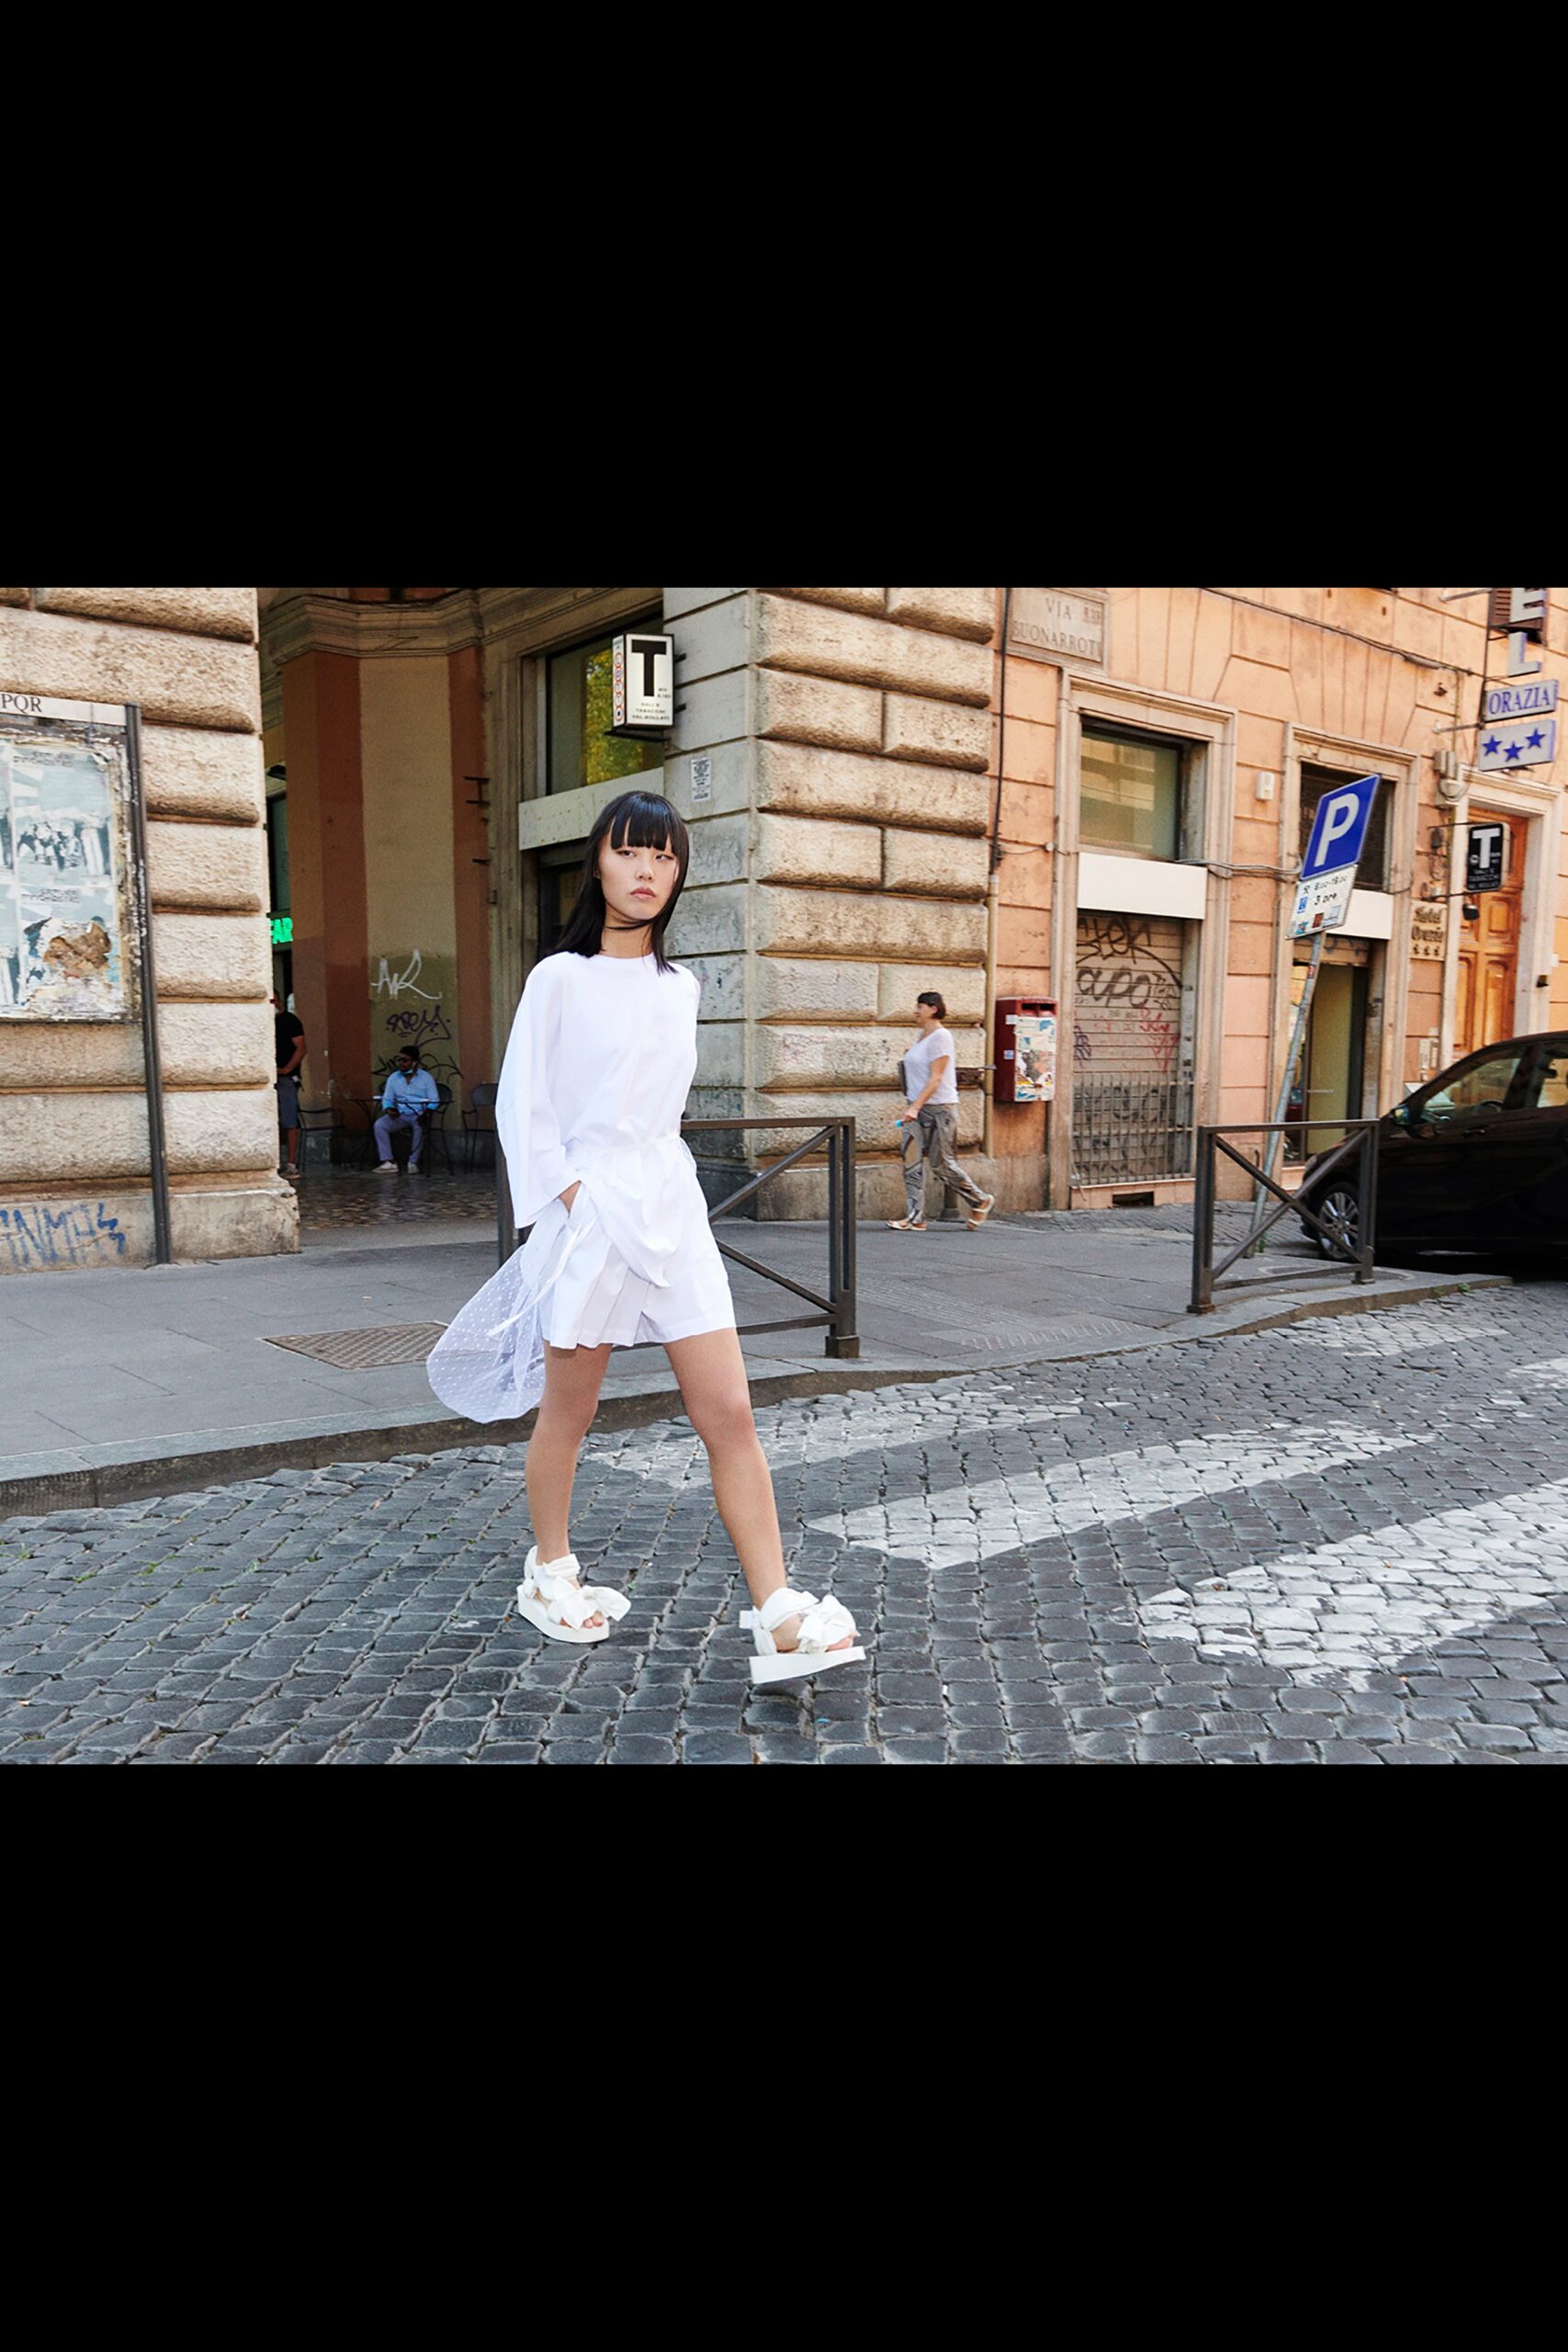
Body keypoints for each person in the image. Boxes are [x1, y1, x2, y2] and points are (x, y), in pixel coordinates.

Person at [426, 787, 863, 1685]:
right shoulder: (559, 977)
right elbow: (525, 1106)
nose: (647, 872)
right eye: (631, 853)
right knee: (571, 1412)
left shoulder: (682, 987)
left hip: (672, 1211)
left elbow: (663, 1111)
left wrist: (649, 1197)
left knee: (731, 1412)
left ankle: (777, 1610)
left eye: (664, 858)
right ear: (598, 860)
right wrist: (575, 1202)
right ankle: (548, 1570)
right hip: (593, 1215)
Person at [888, 989, 996, 1233]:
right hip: (916, 1108)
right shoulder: (922, 1036)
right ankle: (915, 1217)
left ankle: (980, 1199)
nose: (916, 1011)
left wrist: (915, 1107)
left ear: (933, 1008)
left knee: (940, 1164)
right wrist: (913, 1105)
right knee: (911, 1162)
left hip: (939, 1110)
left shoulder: (941, 1037)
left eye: (920, 1007)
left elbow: (936, 1078)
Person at [374, 1045, 439, 1171]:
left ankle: (413, 1162)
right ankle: (389, 1161)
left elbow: (434, 1100)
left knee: (419, 1127)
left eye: (405, 1060)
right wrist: (389, 1109)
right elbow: (387, 1099)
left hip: (419, 1113)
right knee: (380, 1125)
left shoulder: (426, 1078)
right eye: (399, 1060)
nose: (401, 1063)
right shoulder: (393, 1078)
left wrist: (427, 1112)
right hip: (401, 1114)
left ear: (414, 1062)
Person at [273, 992, 306, 1175]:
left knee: (289, 1120)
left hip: (285, 1078)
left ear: (278, 1001)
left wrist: (287, 1069)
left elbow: (301, 1048)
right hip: (268, 1077)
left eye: (273, 1001)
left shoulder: (290, 1021)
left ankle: (291, 1163)